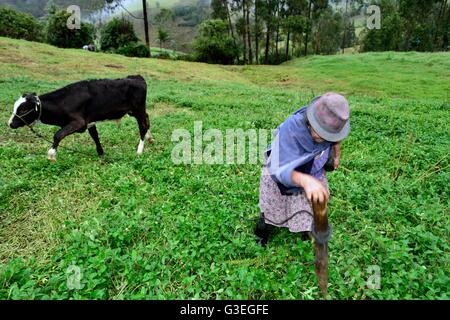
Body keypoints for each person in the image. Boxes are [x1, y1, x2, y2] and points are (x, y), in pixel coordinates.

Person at [255, 92, 350, 246]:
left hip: (312, 170)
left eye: (329, 136)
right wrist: (305, 180)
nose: (325, 139)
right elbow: (280, 169)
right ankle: (262, 233)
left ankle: (304, 228)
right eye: (320, 135)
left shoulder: (335, 122)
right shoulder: (291, 128)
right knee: (273, 206)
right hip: (282, 168)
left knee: (307, 205)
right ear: (310, 121)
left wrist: (336, 155)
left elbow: (336, 139)